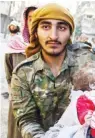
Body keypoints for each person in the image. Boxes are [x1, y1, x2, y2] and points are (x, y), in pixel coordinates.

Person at [10, 3, 95, 138]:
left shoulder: (86, 61)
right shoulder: (23, 72)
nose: (53, 36)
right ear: (35, 32)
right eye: (45, 27)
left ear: (70, 33)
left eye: (62, 28)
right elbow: (27, 119)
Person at [5, 6, 37, 138]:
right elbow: (9, 76)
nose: (34, 22)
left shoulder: (49, 48)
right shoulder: (13, 47)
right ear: (25, 21)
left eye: (38, 18)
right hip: (19, 104)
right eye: (30, 19)